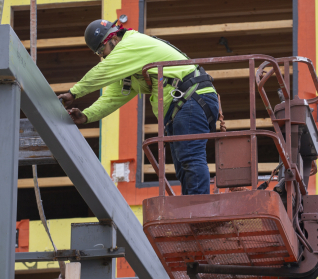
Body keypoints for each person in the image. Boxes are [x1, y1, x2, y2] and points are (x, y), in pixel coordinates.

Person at [58, 19, 219, 195]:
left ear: (113, 38)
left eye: (101, 51)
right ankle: (193, 212)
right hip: (183, 105)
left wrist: (73, 93)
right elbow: (112, 97)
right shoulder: (129, 67)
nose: (102, 57)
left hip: (191, 98)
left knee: (190, 158)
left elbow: (102, 71)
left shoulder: (131, 44)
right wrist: (87, 115)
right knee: (183, 165)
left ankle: (199, 211)